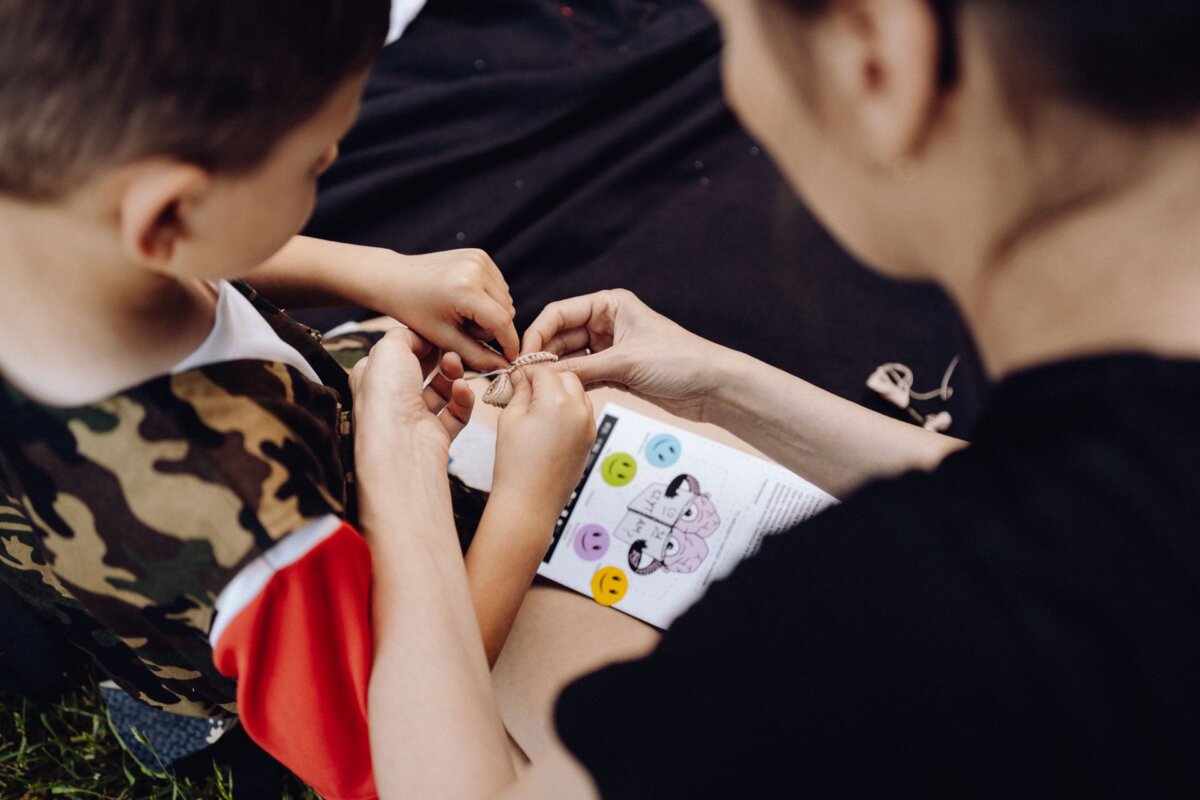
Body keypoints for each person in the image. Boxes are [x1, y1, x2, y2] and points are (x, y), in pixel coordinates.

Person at [353, 0, 1200, 795]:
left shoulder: (869, 624)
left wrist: (403, 483)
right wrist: (725, 384)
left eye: (733, 29)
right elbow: (1061, 487)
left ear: (878, 59)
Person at [0, 2, 595, 798]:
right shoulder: (259, 531)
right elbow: (399, 732)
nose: (337, 155)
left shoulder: (49, 227)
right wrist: (526, 503)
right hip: (277, 630)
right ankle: (192, 716)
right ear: (171, 213)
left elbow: (197, 255)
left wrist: (373, 271)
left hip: (129, 578)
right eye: (315, 159)